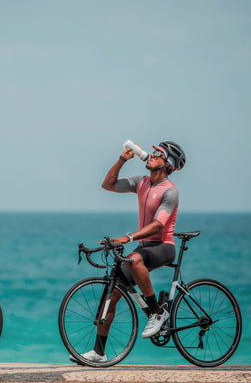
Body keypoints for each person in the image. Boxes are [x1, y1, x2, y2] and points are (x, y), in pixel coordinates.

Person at [74, 141, 186, 363]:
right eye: (152, 152)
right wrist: (122, 159)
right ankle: (98, 352)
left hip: (163, 246)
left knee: (134, 259)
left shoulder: (170, 191)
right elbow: (108, 184)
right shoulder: (141, 182)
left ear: (167, 164)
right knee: (112, 294)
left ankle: (157, 312)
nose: (151, 155)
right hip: (144, 248)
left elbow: (158, 225)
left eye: (158, 154)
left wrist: (129, 237)